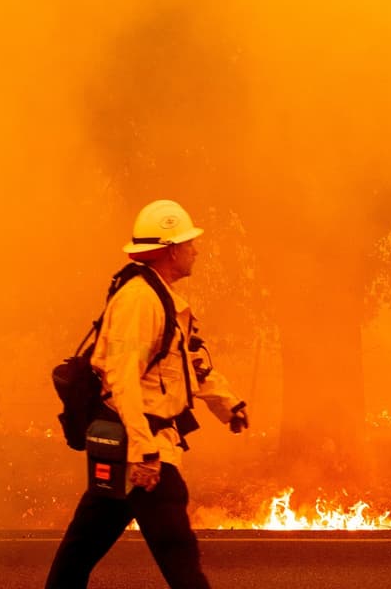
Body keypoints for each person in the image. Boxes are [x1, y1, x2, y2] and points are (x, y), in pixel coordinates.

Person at [46, 199, 249, 589]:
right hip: (141, 449)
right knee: (179, 557)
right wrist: (143, 453)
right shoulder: (139, 301)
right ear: (171, 250)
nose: (196, 250)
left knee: (81, 549)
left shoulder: (161, 298)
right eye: (189, 243)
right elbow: (122, 379)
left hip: (131, 447)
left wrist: (230, 406)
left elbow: (188, 366)